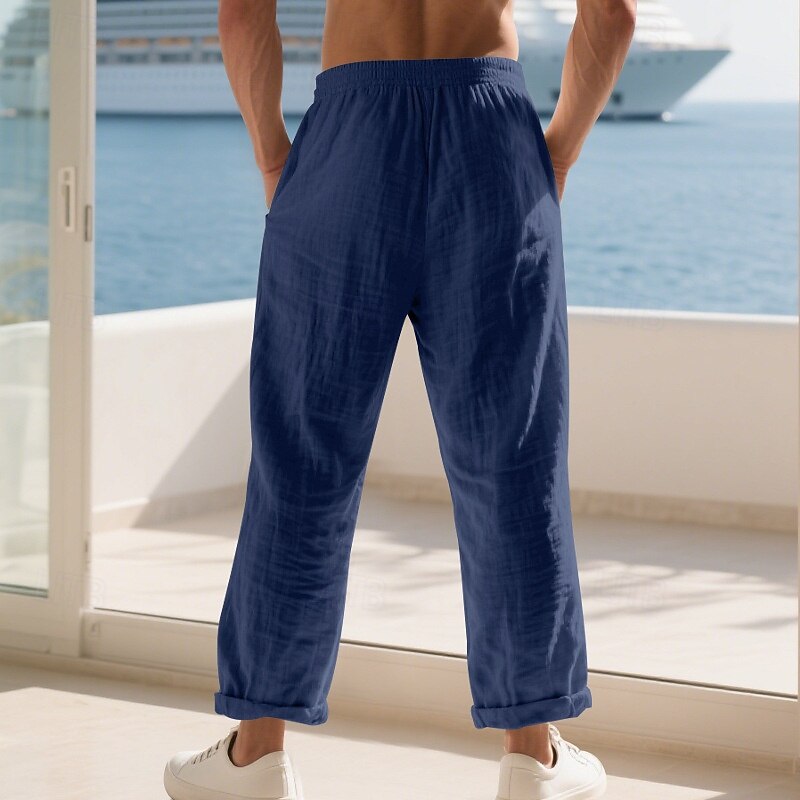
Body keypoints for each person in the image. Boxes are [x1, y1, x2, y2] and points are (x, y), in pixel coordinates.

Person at [163, 0, 635, 798]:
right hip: (490, 137)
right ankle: (532, 759)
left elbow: (243, 13)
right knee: (511, 460)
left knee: (302, 459)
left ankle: (258, 756)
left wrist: (275, 156)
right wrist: (557, 154)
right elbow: (613, 16)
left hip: (348, 142)